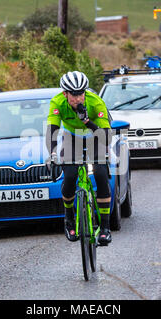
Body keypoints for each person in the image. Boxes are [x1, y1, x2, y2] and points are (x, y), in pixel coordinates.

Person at [46, 71, 113, 245]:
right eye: (74, 95)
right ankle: (69, 218)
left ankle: (105, 227)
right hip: (71, 138)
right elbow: (52, 131)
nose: (78, 98)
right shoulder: (57, 102)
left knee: (100, 173)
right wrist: (52, 154)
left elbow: (106, 137)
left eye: (81, 93)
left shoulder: (95, 102)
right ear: (65, 93)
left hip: (95, 137)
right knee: (69, 177)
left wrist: (87, 122)